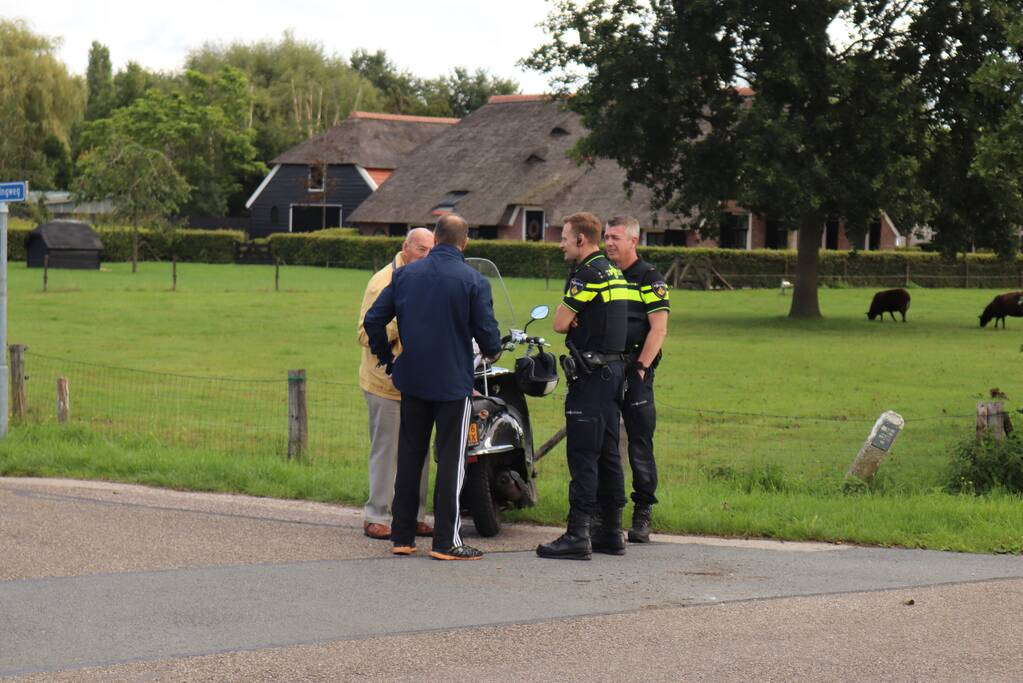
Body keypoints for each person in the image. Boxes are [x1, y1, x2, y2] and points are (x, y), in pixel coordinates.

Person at [363, 214, 502, 561]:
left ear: (436, 238)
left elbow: (374, 320)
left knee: (410, 457)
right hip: (452, 382)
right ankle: (445, 541)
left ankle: (403, 535)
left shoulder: (406, 274)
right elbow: (487, 333)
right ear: (464, 243)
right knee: (452, 461)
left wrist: (387, 359)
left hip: (412, 379)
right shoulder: (473, 280)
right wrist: (493, 348)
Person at [537, 212, 630, 560]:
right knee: (608, 454)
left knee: (583, 454)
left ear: (580, 239)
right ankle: (610, 532)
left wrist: (572, 318)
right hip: (614, 372)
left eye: (564, 237)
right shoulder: (614, 272)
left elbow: (560, 323)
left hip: (591, 377)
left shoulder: (588, 273)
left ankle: (578, 533)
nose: (560, 243)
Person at [356, 227, 436, 540]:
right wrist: (401, 322)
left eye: (431, 250)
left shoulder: (425, 279)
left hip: (419, 382)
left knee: (419, 451)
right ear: (405, 248)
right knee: (387, 450)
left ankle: (414, 516)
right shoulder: (382, 282)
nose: (426, 256)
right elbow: (364, 333)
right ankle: (376, 515)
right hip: (385, 383)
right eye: (420, 249)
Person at [603, 216, 670, 543]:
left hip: (635, 369)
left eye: (616, 237)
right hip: (605, 367)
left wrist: (641, 368)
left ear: (633, 241)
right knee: (603, 439)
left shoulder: (649, 277)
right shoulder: (603, 274)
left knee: (640, 441)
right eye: (606, 237)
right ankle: (605, 509)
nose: (609, 243)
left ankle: (643, 510)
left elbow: (659, 328)